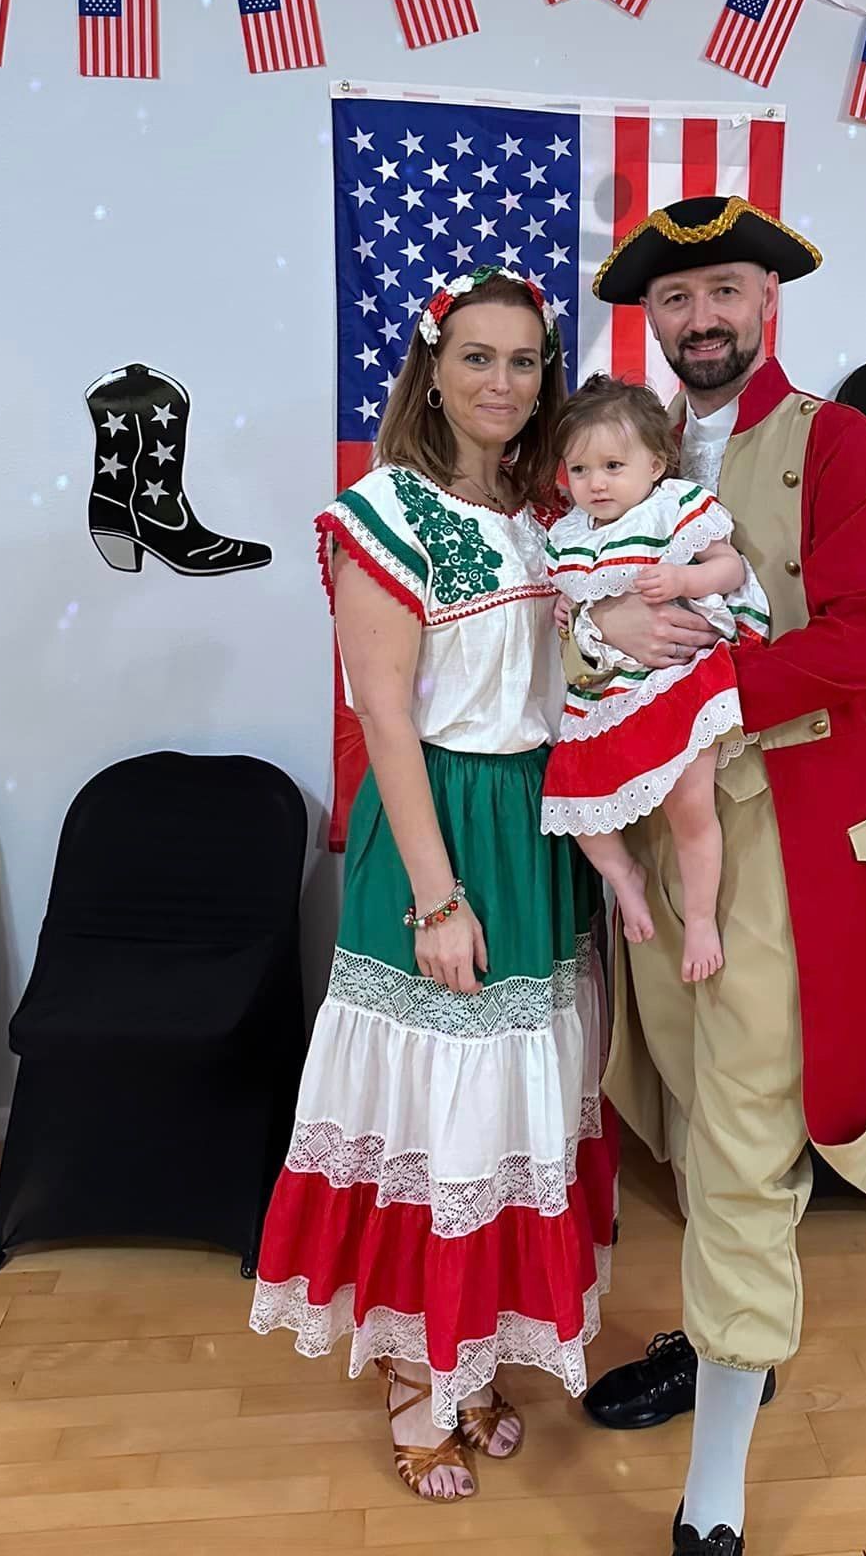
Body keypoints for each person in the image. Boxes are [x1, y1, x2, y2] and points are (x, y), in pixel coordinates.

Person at [574, 198, 866, 1556]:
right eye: (676, 300)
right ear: (649, 321)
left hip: (778, 834)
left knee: (743, 1133)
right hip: (655, 832)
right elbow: (588, 618)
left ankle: (713, 1490)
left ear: (767, 299)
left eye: (723, 290)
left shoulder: (835, 443)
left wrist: (703, 684)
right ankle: (727, 1348)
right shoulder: (626, 460)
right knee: (669, 1093)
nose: (702, 319)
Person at [250, 267, 616, 1505]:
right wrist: (437, 897)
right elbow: (389, 723)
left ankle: (468, 1356)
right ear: (431, 366)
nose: (502, 383)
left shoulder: (540, 516)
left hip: (534, 827)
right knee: (434, 1107)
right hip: (441, 830)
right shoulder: (383, 512)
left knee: (510, 1108)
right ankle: (415, 1379)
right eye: (478, 357)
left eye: (523, 362)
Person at [540, 373, 769, 983]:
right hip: (607, 690)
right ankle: (626, 879)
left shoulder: (673, 508)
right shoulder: (568, 536)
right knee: (574, 798)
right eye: (580, 469)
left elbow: (729, 566)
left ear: (657, 461)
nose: (596, 483)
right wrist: (567, 608)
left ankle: (699, 919)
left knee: (690, 807)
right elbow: (568, 602)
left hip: (675, 680)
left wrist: (685, 581)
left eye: (613, 465)